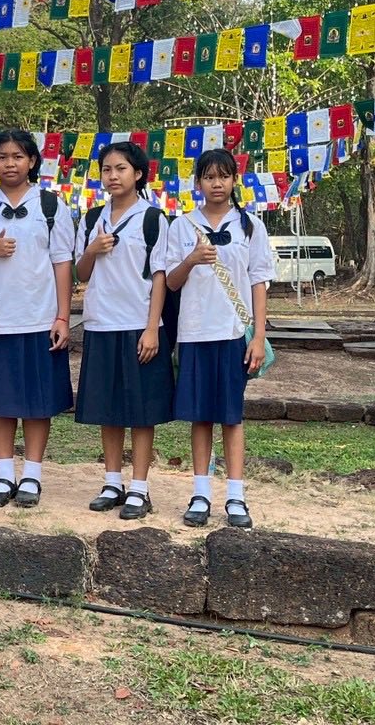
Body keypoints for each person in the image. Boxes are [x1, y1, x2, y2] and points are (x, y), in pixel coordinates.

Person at [0, 129, 75, 509]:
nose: (10, 163)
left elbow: (62, 262)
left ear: (32, 162)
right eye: (2, 157)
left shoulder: (51, 206)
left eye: (18, 156)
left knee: (38, 403)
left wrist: (62, 316)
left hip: (40, 318)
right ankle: (4, 474)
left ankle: (32, 476)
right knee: (0, 401)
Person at [164, 148, 274, 530]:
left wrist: (258, 336)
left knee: (231, 416)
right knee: (200, 416)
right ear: (198, 182)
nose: (217, 184)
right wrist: (191, 259)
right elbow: (170, 282)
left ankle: (236, 496)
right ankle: (200, 494)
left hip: (233, 333)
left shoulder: (250, 227)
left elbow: (259, 282)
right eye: (209, 177)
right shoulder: (181, 226)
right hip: (194, 332)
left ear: (234, 180)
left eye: (223, 176)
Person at [74, 142, 175, 519]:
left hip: (139, 325)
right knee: (109, 408)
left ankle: (140, 488)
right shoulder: (91, 218)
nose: (113, 176)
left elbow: (161, 276)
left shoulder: (153, 218)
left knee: (142, 411)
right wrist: (92, 250)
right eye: (106, 169)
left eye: (121, 169)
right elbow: (81, 273)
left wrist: (152, 328)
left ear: (138, 174)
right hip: (101, 322)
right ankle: (112, 482)